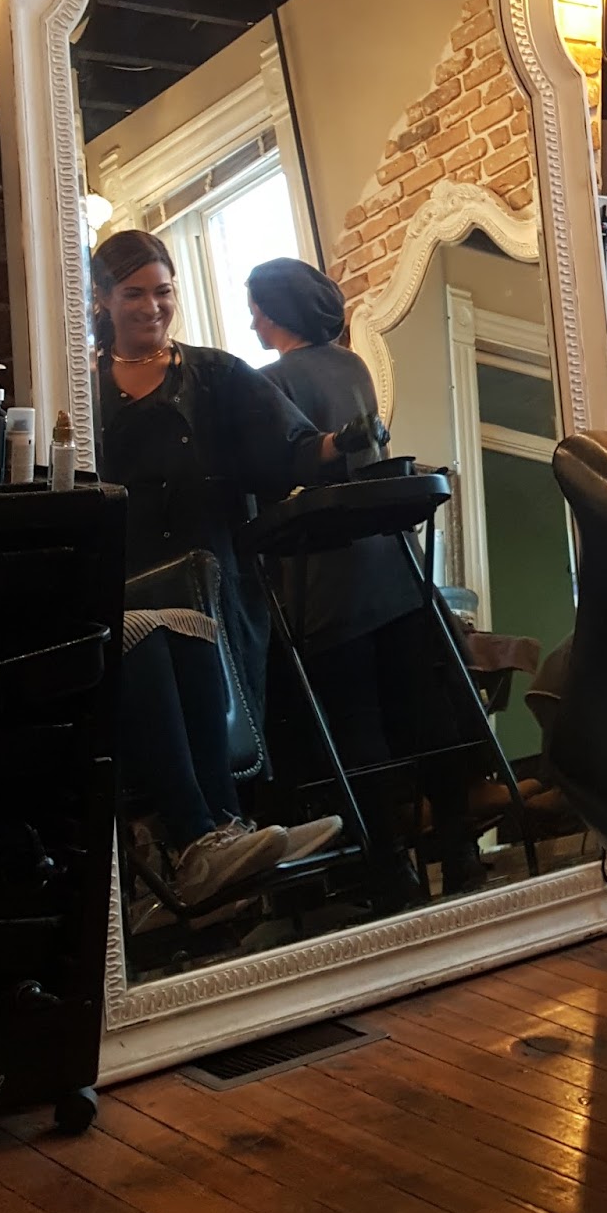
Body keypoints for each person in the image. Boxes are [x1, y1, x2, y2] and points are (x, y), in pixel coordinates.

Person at [93, 230, 350, 919]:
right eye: (135, 293)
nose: (153, 307)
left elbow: (287, 448)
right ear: (102, 298)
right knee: (149, 663)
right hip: (126, 582)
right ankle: (198, 843)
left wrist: (338, 445)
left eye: (164, 292)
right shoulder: (81, 389)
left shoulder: (215, 374)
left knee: (215, 682)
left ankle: (227, 833)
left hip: (212, 576)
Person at [247, 256, 517, 900]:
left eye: (256, 310)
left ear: (276, 312)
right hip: (395, 568)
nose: (252, 322)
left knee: (357, 727)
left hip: (324, 581)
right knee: (425, 713)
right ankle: (458, 851)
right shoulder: (353, 367)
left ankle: (391, 868)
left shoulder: (269, 382)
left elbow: (278, 481)